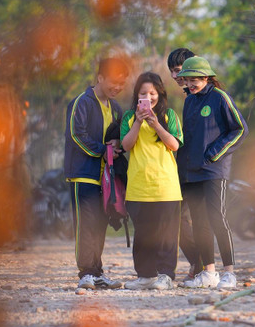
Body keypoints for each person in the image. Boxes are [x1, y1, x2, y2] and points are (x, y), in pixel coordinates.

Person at [176, 56, 248, 289]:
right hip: (192, 172)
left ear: (206, 77)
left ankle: (229, 273)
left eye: (195, 79)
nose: (191, 83)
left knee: (218, 217)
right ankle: (209, 273)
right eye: (187, 79)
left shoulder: (219, 98)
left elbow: (240, 130)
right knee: (199, 223)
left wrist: (214, 153)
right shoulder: (189, 102)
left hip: (215, 169)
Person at [63, 57, 129, 290]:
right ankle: (85, 273)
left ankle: (97, 272)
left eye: (122, 83)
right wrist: (103, 150)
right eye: (114, 81)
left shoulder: (117, 108)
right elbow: (76, 134)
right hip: (83, 174)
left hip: (106, 177)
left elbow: (118, 138)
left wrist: (117, 144)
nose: (118, 87)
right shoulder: (82, 102)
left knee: (100, 223)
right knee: (86, 224)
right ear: (100, 77)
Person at [120, 72, 184, 290]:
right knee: (143, 236)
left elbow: (174, 146)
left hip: (166, 187)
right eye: (143, 93)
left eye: (152, 93)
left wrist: (156, 125)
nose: (148, 97)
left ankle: (166, 275)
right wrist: (138, 122)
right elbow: (126, 145)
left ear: (160, 94)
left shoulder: (169, 116)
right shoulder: (129, 117)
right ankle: (146, 276)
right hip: (139, 186)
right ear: (137, 96)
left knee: (167, 235)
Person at [167, 48, 203, 280]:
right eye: (171, 71)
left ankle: (202, 264)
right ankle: (199, 263)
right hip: (184, 166)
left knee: (183, 217)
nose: (174, 76)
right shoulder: (189, 96)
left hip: (199, 167)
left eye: (178, 70)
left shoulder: (206, 95)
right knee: (178, 217)